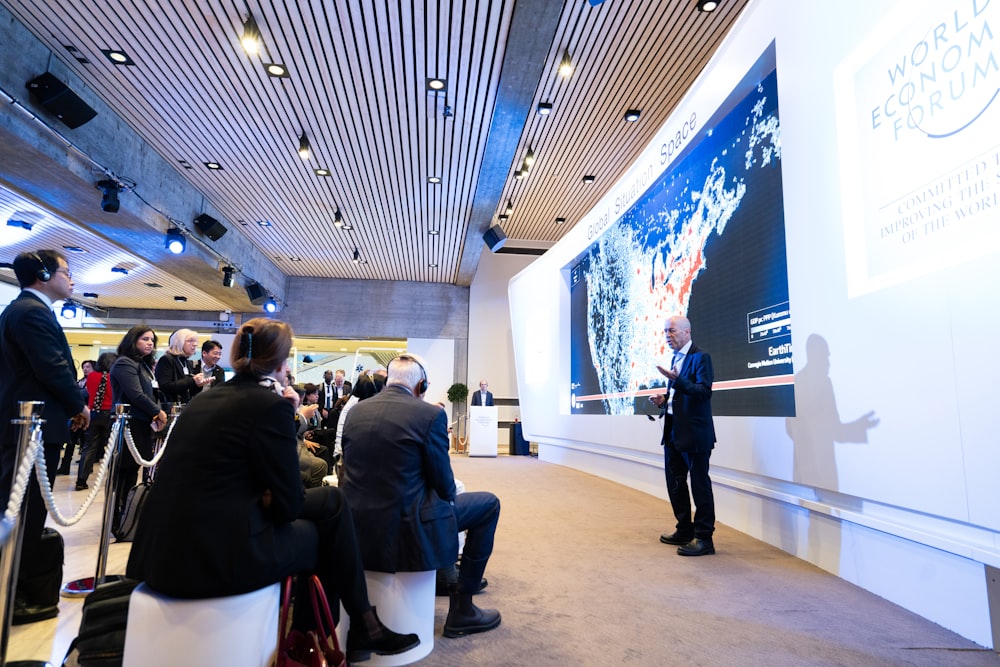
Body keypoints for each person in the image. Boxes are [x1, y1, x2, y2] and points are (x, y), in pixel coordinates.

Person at [125, 318, 419, 663]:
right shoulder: (269, 406)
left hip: (158, 554)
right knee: (330, 521)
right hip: (218, 558)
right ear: (282, 363)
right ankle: (335, 631)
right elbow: (286, 505)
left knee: (331, 504)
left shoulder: (204, 401)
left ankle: (347, 629)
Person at [341, 354, 502, 638]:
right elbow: (444, 486)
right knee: (488, 504)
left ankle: (446, 579)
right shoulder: (430, 415)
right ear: (422, 385)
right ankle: (463, 609)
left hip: (357, 526)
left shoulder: (356, 412)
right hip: (406, 529)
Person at [0, 249, 90, 624]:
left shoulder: (25, 311)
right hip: (31, 428)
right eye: (67, 272)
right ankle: (16, 596)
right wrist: (78, 406)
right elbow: (51, 368)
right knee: (26, 510)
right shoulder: (32, 313)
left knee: (24, 509)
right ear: (42, 273)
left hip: (31, 426)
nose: (72, 280)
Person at [650, 315, 717, 557]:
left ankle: (704, 538)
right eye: (665, 331)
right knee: (675, 484)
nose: (668, 335)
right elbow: (679, 397)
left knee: (700, 486)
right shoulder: (675, 358)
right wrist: (663, 400)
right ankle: (684, 529)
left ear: (687, 332)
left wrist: (678, 381)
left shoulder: (701, 357)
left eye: (672, 331)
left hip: (696, 435)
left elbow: (703, 392)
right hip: (674, 432)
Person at [110, 326, 168, 530]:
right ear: (133, 341)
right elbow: (135, 394)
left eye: (152, 339)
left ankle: (127, 517)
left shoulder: (142, 365)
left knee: (132, 471)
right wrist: (158, 413)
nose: (150, 343)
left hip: (141, 424)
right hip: (128, 424)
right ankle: (117, 520)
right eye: (145, 339)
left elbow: (150, 393)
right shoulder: (125, 363)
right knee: (123, 473)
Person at [76, 352, 118, 491]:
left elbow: (89, 393)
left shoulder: (92, 377)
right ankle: (113, 477)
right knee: (113, 447)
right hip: (110, 414)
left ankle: (81, 480)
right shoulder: (115, 377)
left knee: (89, 447)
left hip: (93, 413)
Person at [58, 359, 94, 474]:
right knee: (71, 441)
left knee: (86, 444)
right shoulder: (81, 381)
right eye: (84, 367)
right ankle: (65, 466)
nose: (85, 369)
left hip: (89, 415)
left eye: (88, 367)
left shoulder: (94, 381)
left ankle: (86, 469)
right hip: (77, 414)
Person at [154, 329, 209, 404]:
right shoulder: (167, 359)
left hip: (184, 406)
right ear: (179, 342)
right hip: (171, 407)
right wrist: (192, 380)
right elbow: (165, 386)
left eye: (196, 341)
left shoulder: (187, 362)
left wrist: (198, 384)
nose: (195, 344)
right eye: (190, 341)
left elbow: (188, 390)